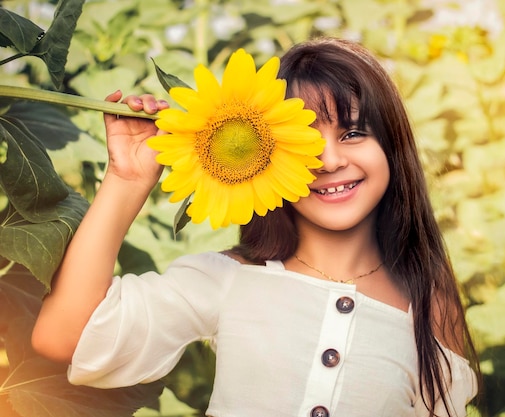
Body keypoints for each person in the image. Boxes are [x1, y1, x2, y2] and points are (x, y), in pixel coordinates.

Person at [32, 37, 480, 417]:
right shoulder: (231, 278)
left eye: (353, 133)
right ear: (267, 159)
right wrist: (127, 181)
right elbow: (63, 338)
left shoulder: (428, 304)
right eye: (302, 140)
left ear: (392, 145)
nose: (329, 161)